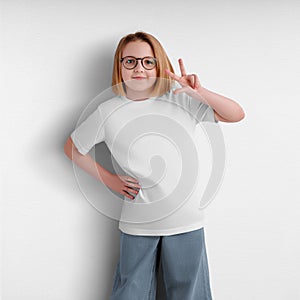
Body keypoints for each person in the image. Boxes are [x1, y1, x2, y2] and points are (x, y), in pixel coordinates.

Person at [64, 31, 245, 300]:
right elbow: (73, 148)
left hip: (185, 221)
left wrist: (199, 92)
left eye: (148, 62)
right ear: (120, 66)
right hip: (138, 223)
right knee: (131, 292)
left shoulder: (182, 99)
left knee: (189, 292)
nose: (139, 68)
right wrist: (110, 179)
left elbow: (236, 114)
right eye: (131, 61)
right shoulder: (108, 111)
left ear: (159, 65)